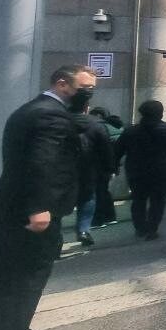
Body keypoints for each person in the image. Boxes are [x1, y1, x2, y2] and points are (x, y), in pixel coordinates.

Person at [0, 65, 95, 330]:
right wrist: (40, 207)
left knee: (3, 275)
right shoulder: (51, 115)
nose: (89, 92)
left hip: (8, 206)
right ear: (62, 84)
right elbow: (43, 162)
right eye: (84, 87)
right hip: (31, 211)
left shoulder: (33, 110)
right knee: (27, 277)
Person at [117, 100, 166, 241]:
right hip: (161, 171)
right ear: (160, 113)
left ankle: (140, 228)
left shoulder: (130, 131)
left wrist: (113, 166)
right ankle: (152, 228)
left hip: (136, 172)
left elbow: (118, 150)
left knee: (138, 200)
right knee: (158, 201)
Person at [71, 98, 113, 248]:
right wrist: (110, 168)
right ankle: (83, 230)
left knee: (59, 202)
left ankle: (55, 237)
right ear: (86, 108)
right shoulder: (97, 125)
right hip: (89, 169)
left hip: (63, 170)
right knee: (88, 198)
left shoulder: (59, 121)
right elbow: (106, 148)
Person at [88, 107, 123, 228]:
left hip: (99, 165)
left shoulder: (101, 128)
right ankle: (110, 217)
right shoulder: (116, 126)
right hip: (110, 164)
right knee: (104, 192)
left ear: (98, 115)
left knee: (98, 193)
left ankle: (98, 219)